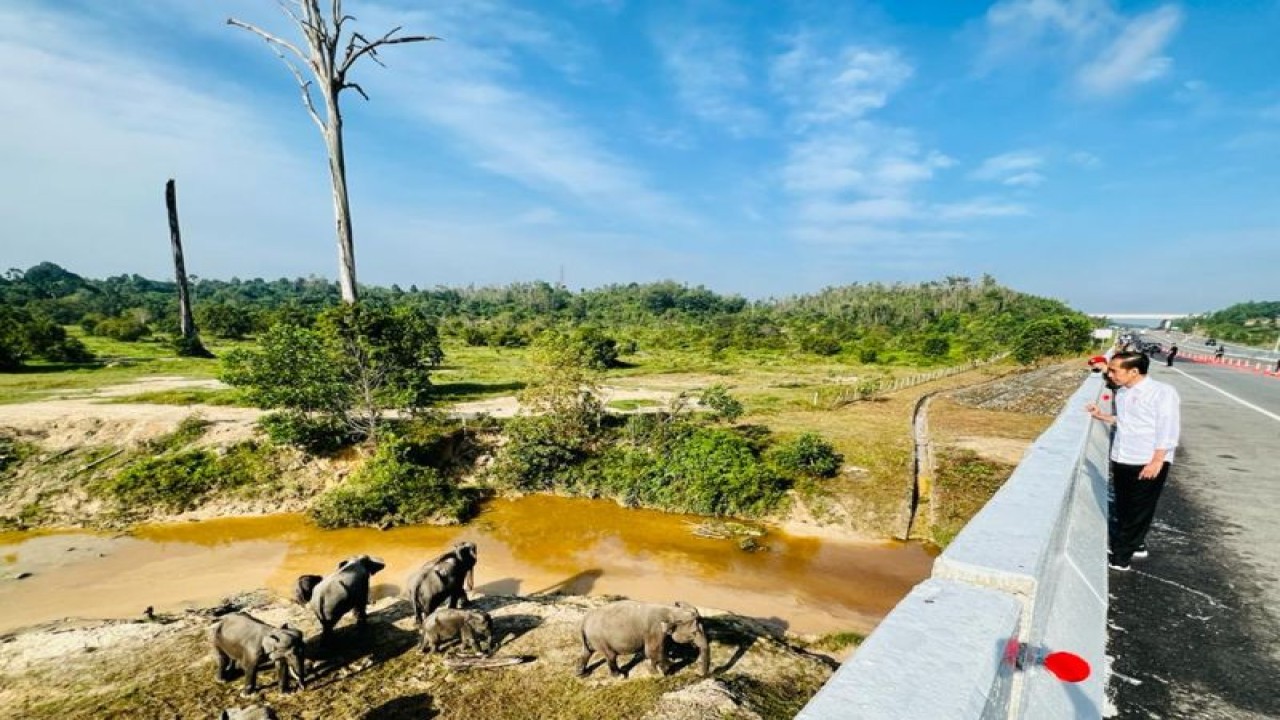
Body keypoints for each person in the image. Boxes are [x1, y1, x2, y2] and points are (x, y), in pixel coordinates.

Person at [1085, 351, 1181, 571]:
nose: (1110, 374)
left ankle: (1121, 558)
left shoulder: (1162, 393)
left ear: (1134, 371)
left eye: (1114, 370)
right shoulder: (1123, 393)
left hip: (1147, 460)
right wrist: (1101, 416)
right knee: (1125, 505)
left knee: (1139, 509)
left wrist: (1157, 460)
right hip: (1122, 457)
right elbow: (1128, 422)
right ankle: (1135, 545)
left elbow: (1168, 429)